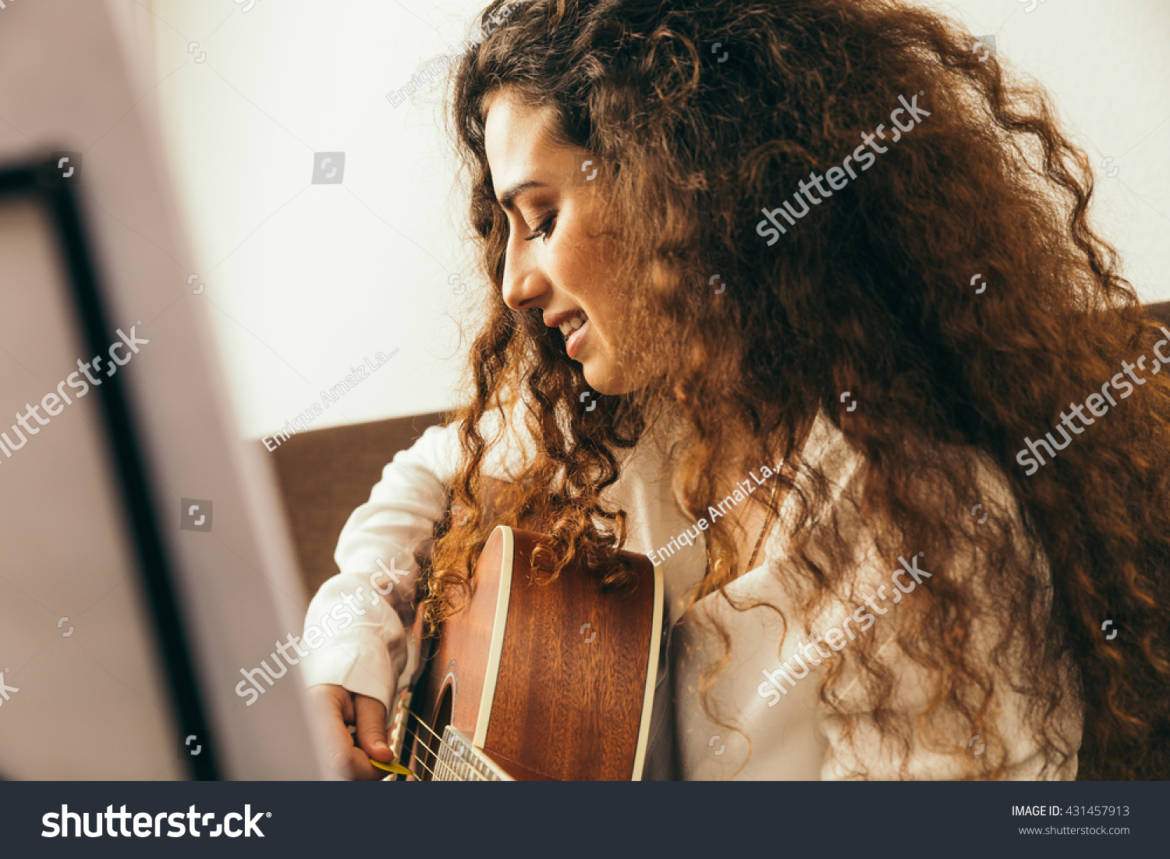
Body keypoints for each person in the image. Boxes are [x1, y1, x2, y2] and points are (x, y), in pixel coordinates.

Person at [303, 0, 1170, 780]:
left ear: (676, 185)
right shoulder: (610, 418)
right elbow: (423, 481)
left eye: (542, 219)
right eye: (506, 230)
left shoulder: (927, 538)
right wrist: (348, 655)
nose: (514, 284)